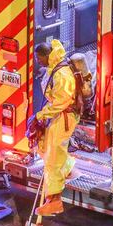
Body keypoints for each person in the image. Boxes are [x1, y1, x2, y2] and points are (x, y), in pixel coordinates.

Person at [34, 40, 80, 216]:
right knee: (47, 148)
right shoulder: (54, 68)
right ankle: (69, 169)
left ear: (48, 56)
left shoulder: (61, 75)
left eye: (40, 57)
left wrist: (40, 115)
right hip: (59, 116)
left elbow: (61, 102)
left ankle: (54, 201)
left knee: (54, 157)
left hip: (64, 117)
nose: (38, 60)